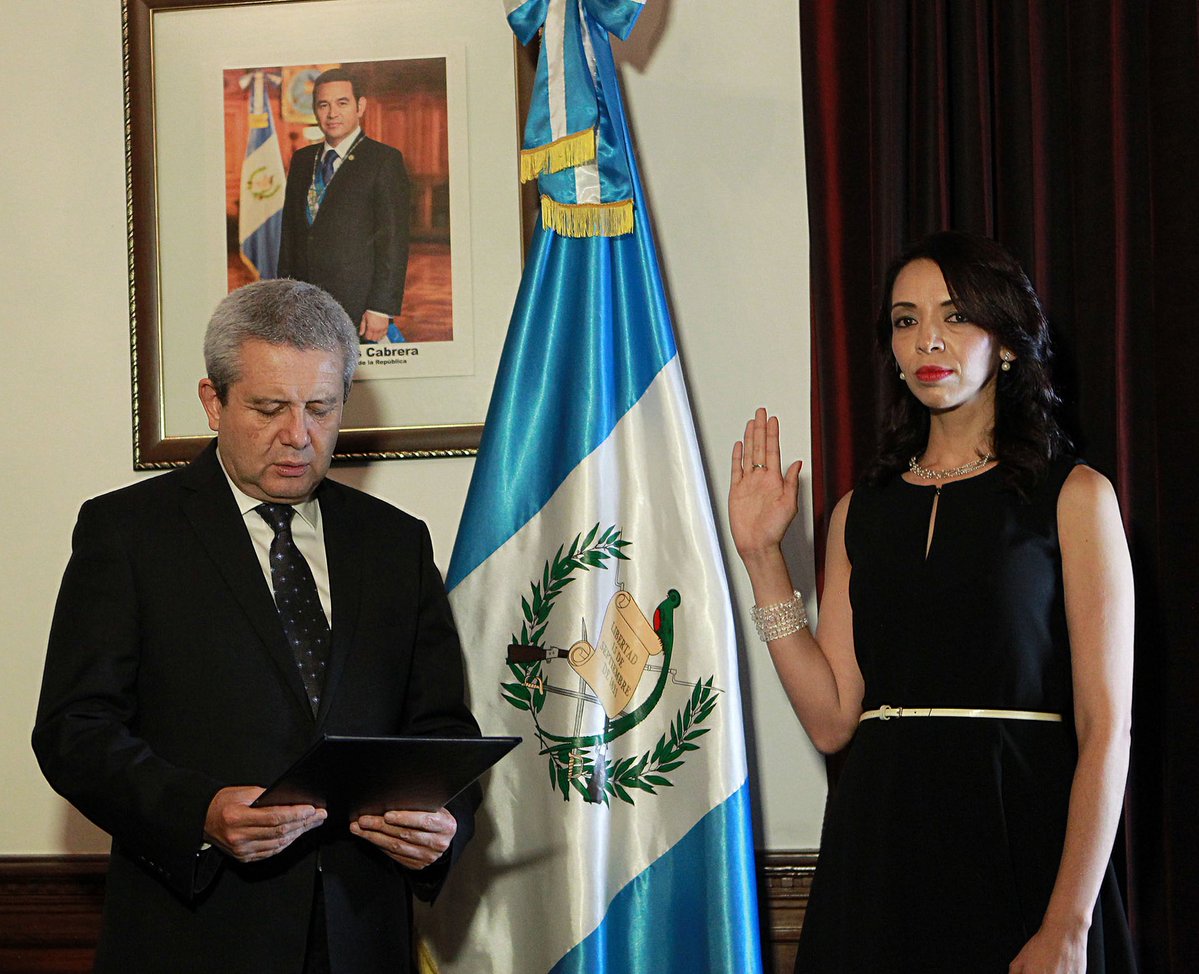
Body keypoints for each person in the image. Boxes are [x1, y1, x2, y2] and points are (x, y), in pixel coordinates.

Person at [32, 279, 479, 973]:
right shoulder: (127, 534)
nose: (297, 436)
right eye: (268, 408)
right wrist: (201, 811)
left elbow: (443, 731)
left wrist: (444, 825)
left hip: (363, 938)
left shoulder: (394, 543)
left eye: (321, 409)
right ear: (213, 402)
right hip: (195, 936)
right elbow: (74, 732)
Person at [730, 231, 1136, 973]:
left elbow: (1105, 727)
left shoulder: (1074, 496)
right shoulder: (858, 511)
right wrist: (762, 559)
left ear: (1005, 343)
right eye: (904, 320)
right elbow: (830, 720)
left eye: (954, 316)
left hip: (1020, 844)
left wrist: (1068, 924)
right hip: (878, 852)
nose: (928, 340)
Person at [278, 67, 411, 343]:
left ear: (360, 106)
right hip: (305, 306)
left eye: (342, 103)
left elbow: (393, 241)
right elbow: (289, 236)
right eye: (323, 105)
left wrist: (381, 308)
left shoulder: (383, 160)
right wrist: (285, 298)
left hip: (359, 308)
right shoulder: (302, 161)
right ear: (315, 110)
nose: (332, 114)